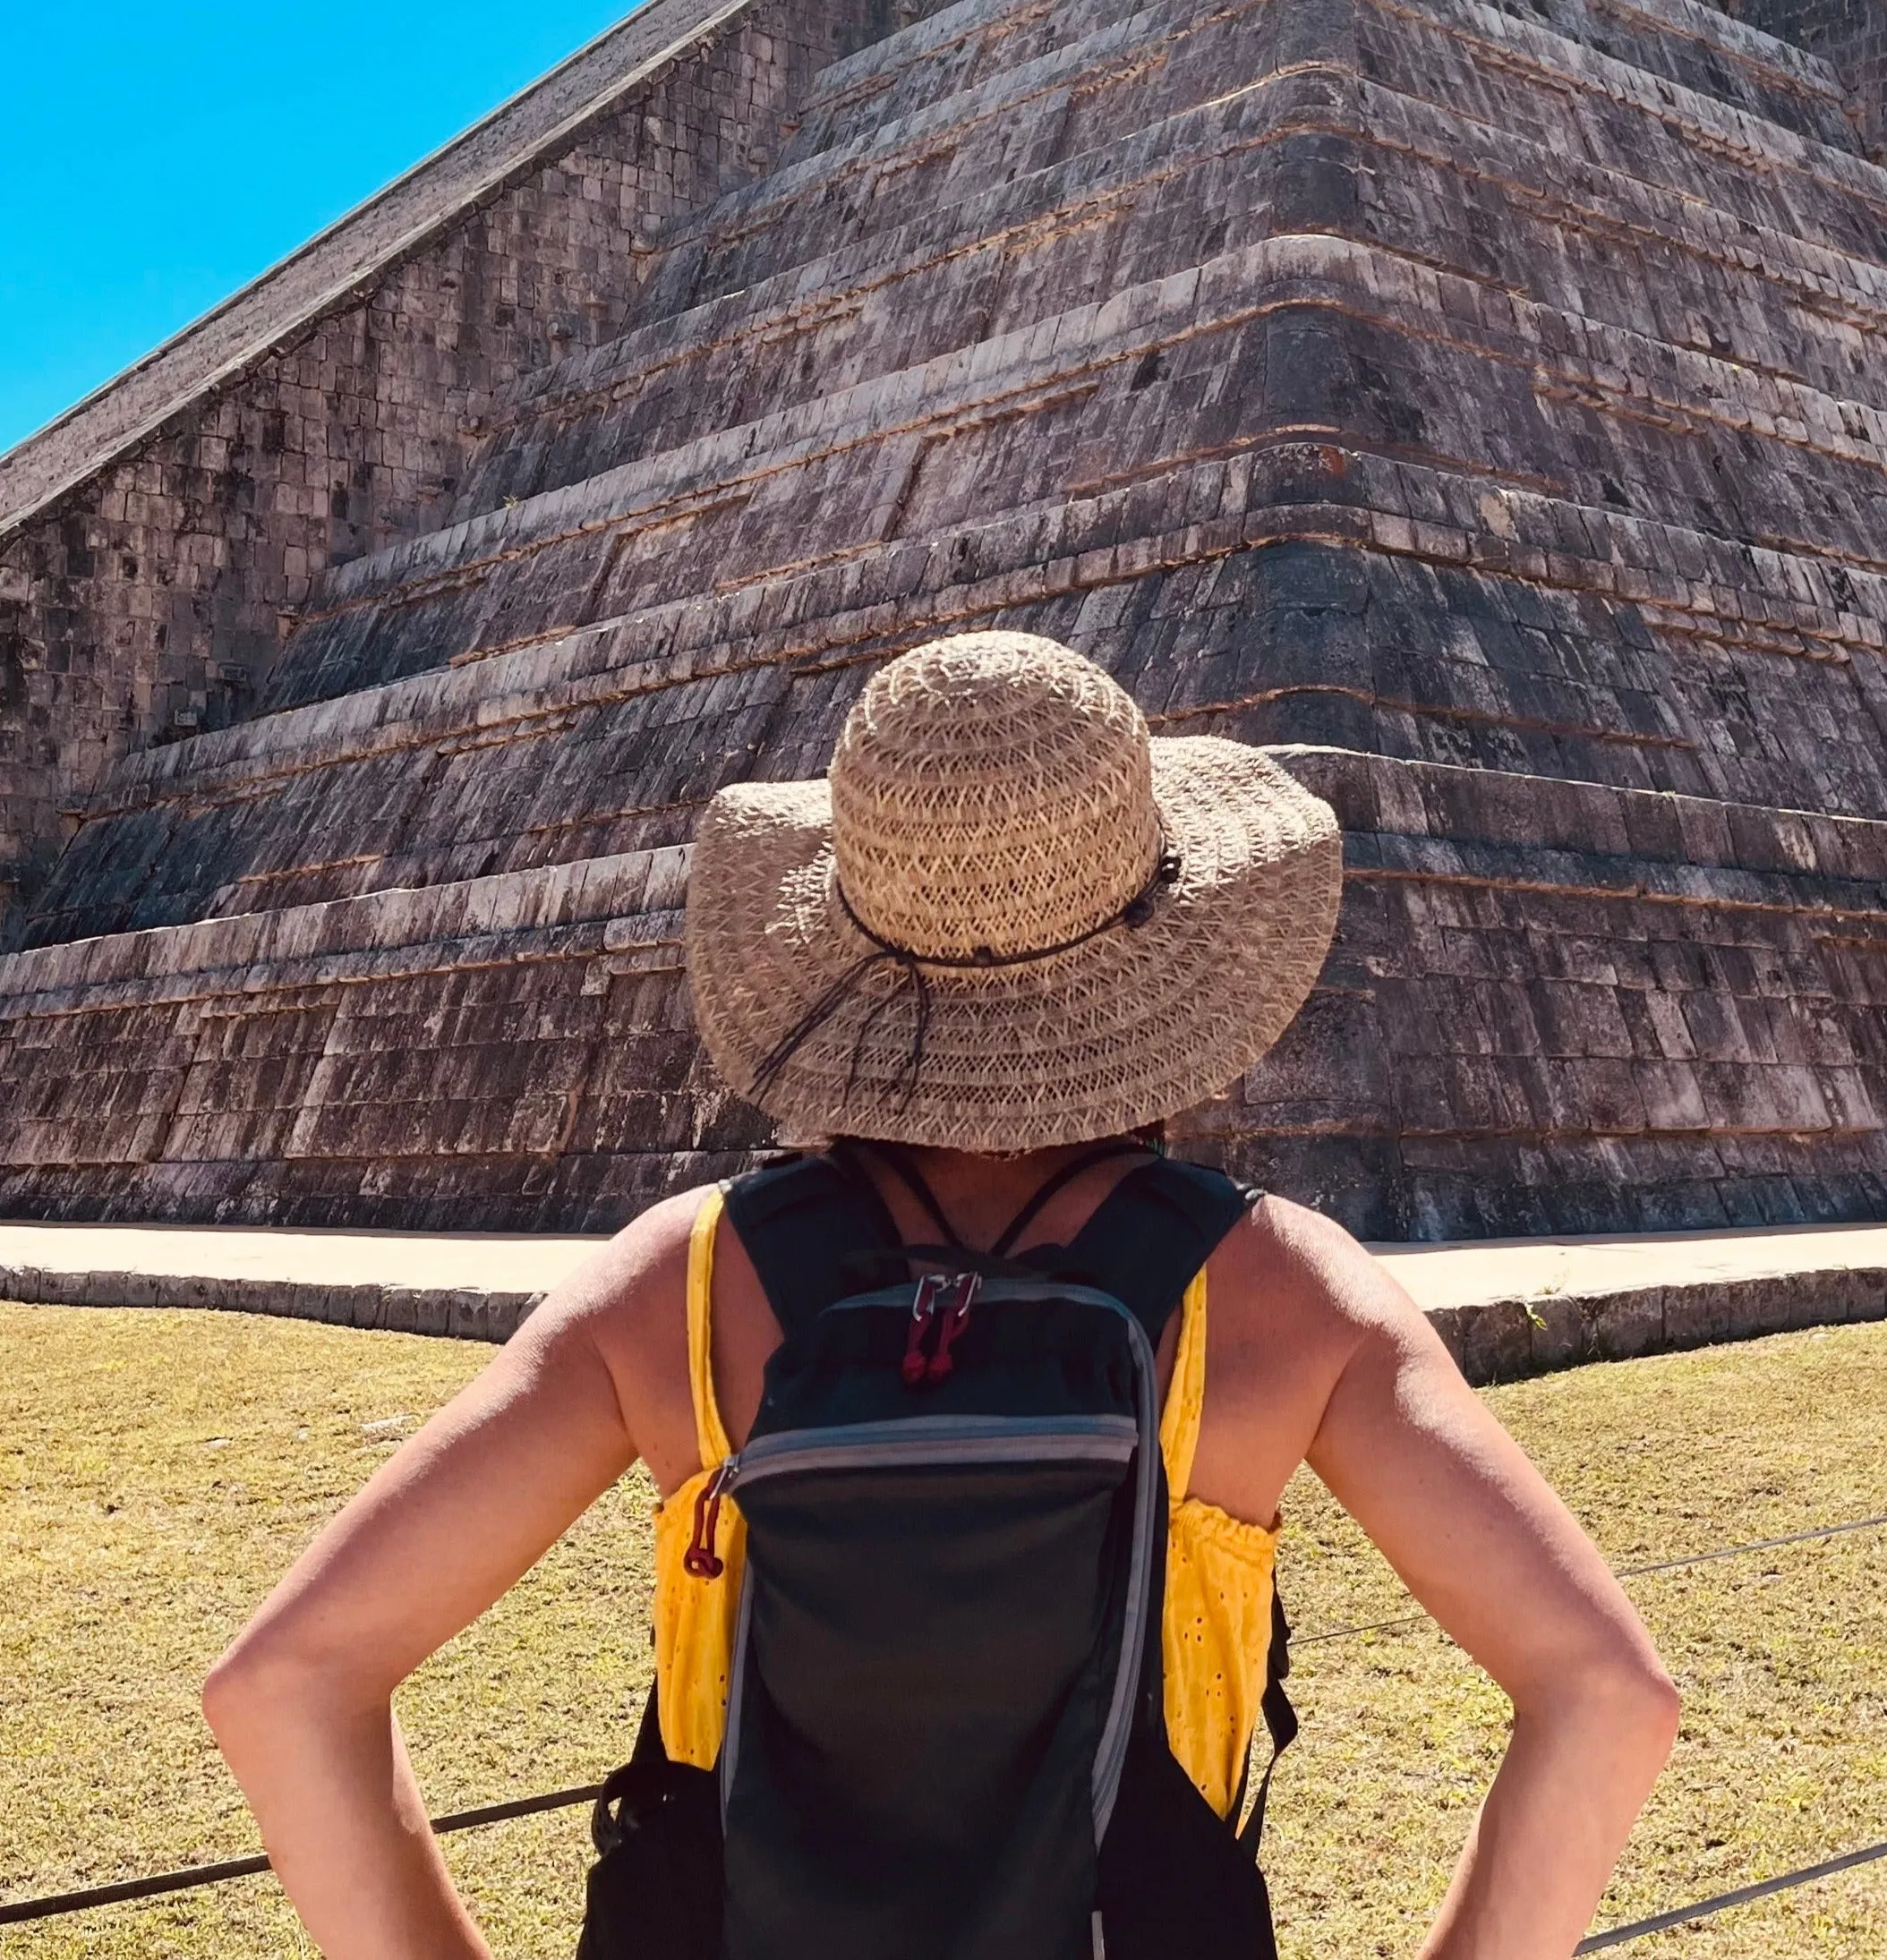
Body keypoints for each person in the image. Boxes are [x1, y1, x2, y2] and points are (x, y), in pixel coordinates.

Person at [204, 630, 1679, 1958]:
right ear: (1162, 938)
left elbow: (283, 1685)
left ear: (836, 933)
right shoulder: (1274, 1288)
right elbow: (1607, 1695)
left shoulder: (681, 1276)